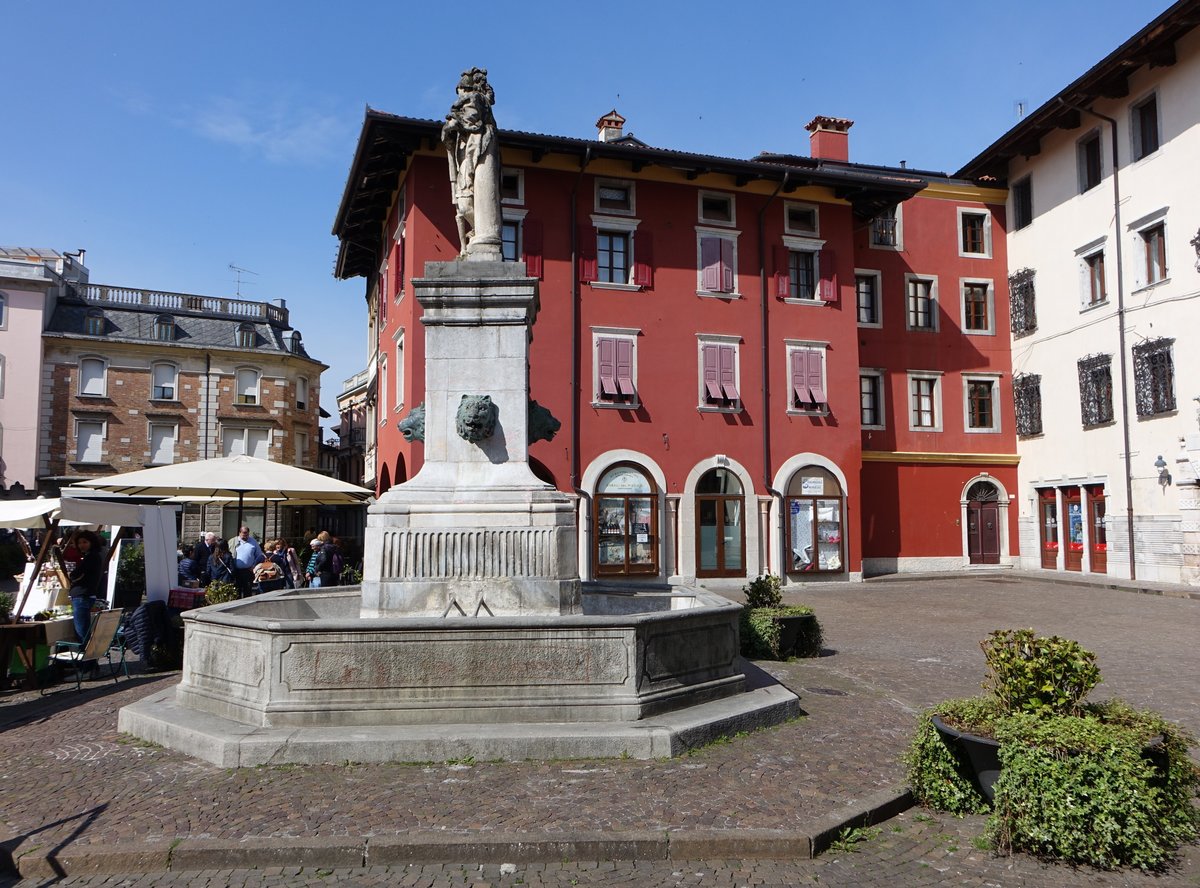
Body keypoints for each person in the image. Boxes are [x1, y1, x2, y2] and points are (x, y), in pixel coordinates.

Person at [67, 530, 105, 643]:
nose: (81, 545)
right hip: (86, 595)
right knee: (83, 629)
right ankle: (88, 658)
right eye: (79, 543)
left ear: (91, 542)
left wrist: (73, 576)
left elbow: (76, 574)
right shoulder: (92, 556)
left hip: (82, 596)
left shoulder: (91, 557)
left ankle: (86, 659)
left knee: (82, 632)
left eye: (85, 542)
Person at [231, 525, 265, 599]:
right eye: (244, 533)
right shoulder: (234, 542)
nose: (245, 535)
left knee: (248, 590)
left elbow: (259, 556)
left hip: (248, 571)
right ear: (239, 533)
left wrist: (254, 566)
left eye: (247, 533)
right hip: (237, 571)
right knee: (237, 591)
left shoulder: (253, 542)